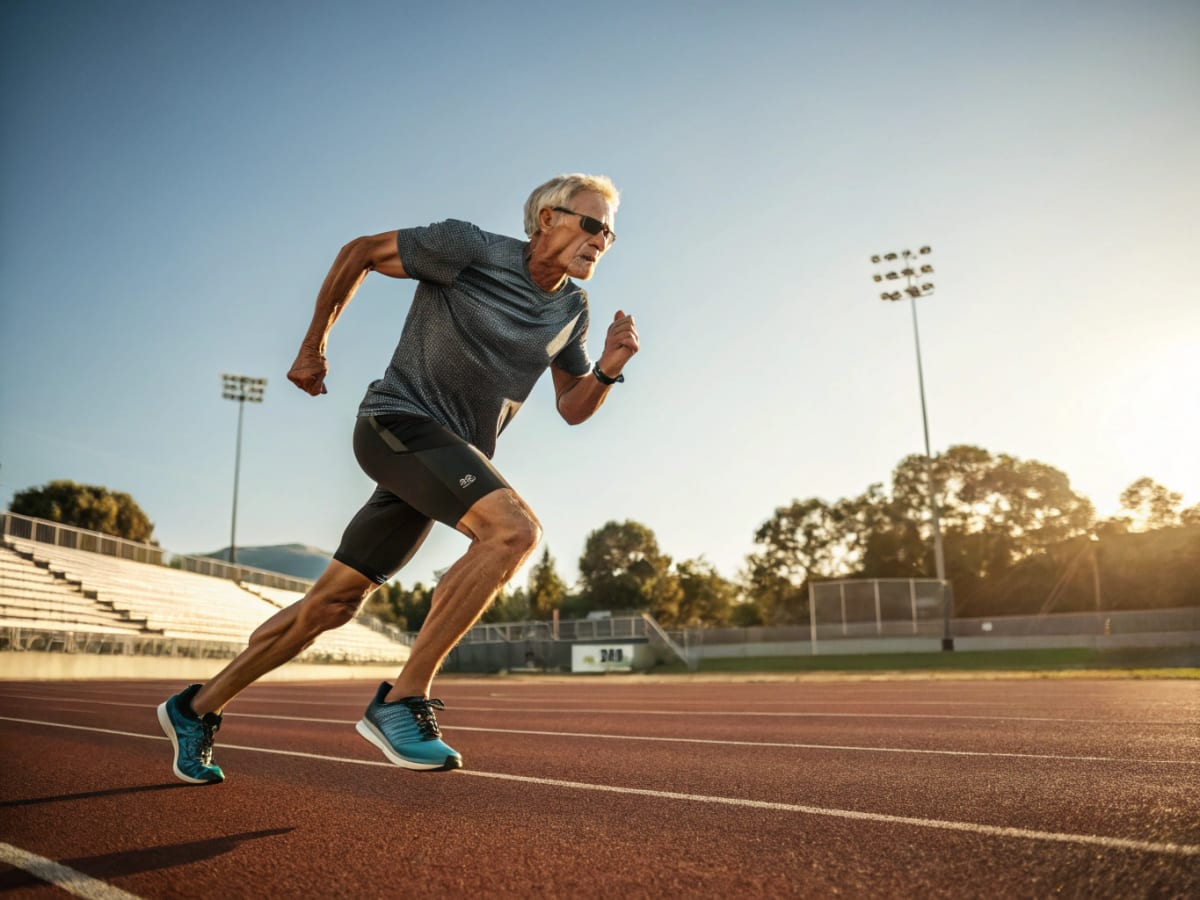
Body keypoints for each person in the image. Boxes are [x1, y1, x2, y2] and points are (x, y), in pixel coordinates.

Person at [157, 174, 637, 783]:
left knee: (332, 605)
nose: (601, 242)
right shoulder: (467, 248)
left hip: (443, 462)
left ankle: (195, 709)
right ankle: (404, 699)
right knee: (513, 533)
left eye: (610, 235)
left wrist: (608, 370)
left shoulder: (573, 309)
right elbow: (360, 251)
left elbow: (572, 405)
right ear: (548, 219)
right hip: (397, 422)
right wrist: (312, 346)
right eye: (593, 225)